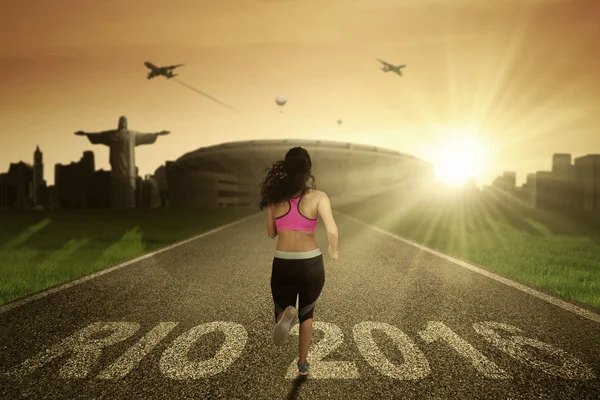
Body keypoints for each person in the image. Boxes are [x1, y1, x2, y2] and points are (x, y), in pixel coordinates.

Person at [259, 146, 339, 376]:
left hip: (283, 262)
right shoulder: (319, 196)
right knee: (308, 313)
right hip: (311, 262)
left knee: (282, 309)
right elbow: (332, 230)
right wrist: (333, 251)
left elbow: (271, 233)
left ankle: (284, 316)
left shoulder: (275, 199)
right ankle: (302, 364)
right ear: (308, 170)